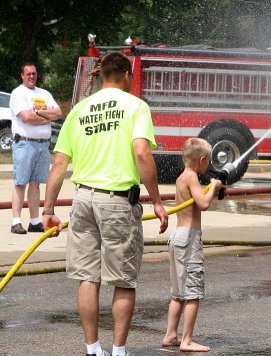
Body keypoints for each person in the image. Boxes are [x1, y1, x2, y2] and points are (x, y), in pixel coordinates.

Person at [42, 51, 168, 356]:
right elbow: (142, 153)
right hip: (117, 202)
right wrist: (157, 201)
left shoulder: (80, 110)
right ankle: (119, 351)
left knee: (88, 276)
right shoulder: (136, 106)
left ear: (101, 76)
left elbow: (58, 164)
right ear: (126, 75)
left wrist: (47, 211)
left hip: (83, 198)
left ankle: (92, 348)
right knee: (123, 279)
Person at [162, 137, 222, 353]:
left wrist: (210, 189)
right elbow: (203, 204)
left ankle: (170, 335)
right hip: (189, 238)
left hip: (177, 236)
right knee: (193, 293)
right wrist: (214, 186)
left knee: (178, 293)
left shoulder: (181, 177)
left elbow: (195, 200)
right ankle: (187, 340)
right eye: (207, 162)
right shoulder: (193, 177)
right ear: (202, 160)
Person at [9, 63, 62, 234]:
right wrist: (45, 114)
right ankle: (16, 222)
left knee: (36, 184)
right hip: (24, 143)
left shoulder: (44, 93)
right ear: (22, 76)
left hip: (42, 145)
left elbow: (58, 113)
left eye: (34, 73)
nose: (32, 76)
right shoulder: (18, 93)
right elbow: (26, 117)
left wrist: (37, 114)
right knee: (20, 183)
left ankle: (34, 221)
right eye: (28, 74)